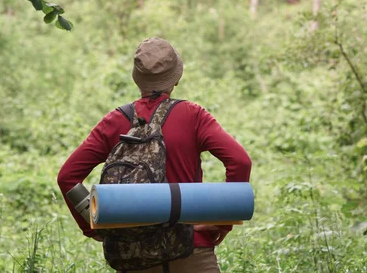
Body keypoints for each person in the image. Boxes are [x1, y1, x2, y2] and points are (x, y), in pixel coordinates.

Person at [57, 37, 252, 272]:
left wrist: (94, 224)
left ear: (137, 78)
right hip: (191, 251)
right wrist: (222, 220)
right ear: (176, 78)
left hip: (133, 255)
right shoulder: (193, 116)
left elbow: (67, 177)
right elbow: (240, 161)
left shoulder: (114, 121)